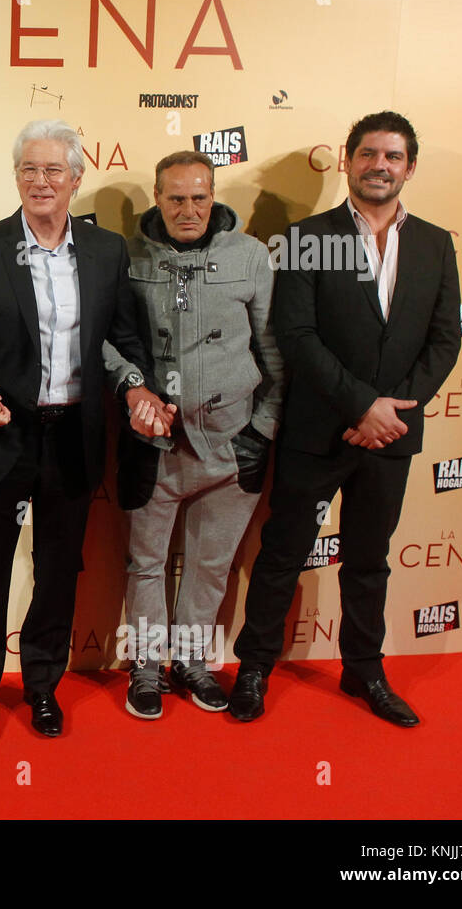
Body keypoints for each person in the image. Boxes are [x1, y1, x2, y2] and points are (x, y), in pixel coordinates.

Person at [0, 120, 160, 741]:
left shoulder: (106, 252)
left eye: (54, 170)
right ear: (17, 177)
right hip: (0, 434)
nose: (40, 181)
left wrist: (135, 388)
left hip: (74, 435)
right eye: (29, 169)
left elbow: (124, 340)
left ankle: (42, 686)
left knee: (58, 571)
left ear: (77, 180)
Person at [230, 111, 461, 726]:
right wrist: (362, 406)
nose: (379, 165)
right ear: (347, 160)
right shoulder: (308, 236)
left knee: (368, 558)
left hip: (392, 435)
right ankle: (254, 666)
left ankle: (364, 670)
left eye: (392, 156)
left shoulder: (436, 243)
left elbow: (444, 342)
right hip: (319, 430)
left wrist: (392, 414)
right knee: (283, 553)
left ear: (409, 166)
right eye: (368, 154)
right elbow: (297, 336)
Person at [103, 151, 284, 720]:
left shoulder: (252, 256)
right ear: (157, 198)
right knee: (146, 563)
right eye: (176, 197)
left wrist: (264, 430)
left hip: (232, 444)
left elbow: (275, 353)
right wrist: (132, 387)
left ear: (214, 195)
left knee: (210, 564)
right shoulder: (123, 256)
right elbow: (102, 339)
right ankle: (147, 666)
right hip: (154, 444)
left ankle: (191, 660)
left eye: (199, 197)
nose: (189, 209)